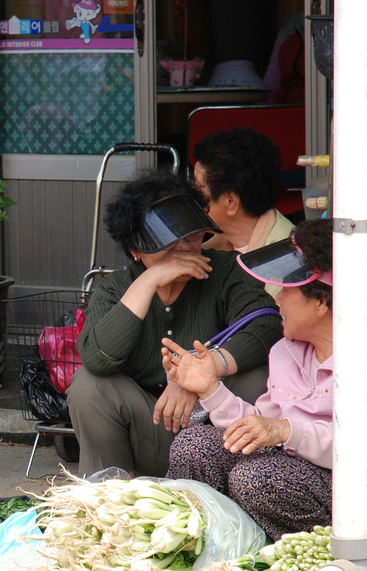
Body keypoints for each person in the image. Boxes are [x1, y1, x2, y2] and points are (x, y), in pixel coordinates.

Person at [68, 171, 283, 477]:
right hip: (149, 431)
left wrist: (199, 373)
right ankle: (111, 494)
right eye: (166, 243)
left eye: (191, 235)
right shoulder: (116, 287)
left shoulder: (225, 271)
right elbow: (98, 359)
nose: (183, 249)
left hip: (214, 436)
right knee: (89, 385)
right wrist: (150, 280)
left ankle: (239, 490)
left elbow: (267, 325)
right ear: (135, 250)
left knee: (257, 374)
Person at [163, 219, 332, 540]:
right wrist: (210, 389)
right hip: (284, 463)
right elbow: (256, 430)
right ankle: (192, 546)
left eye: (287, 290)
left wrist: (286, 430)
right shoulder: (285, 350)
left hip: (345, 486)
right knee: (193, 446)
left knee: (256, 477)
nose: (277, 299)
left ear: (322, 301)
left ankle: (300, 557)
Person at [193, 127, 295, 298]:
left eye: (198, 188)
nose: (191, 195)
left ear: (230, 202)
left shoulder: (288, 263)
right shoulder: (211, 247)